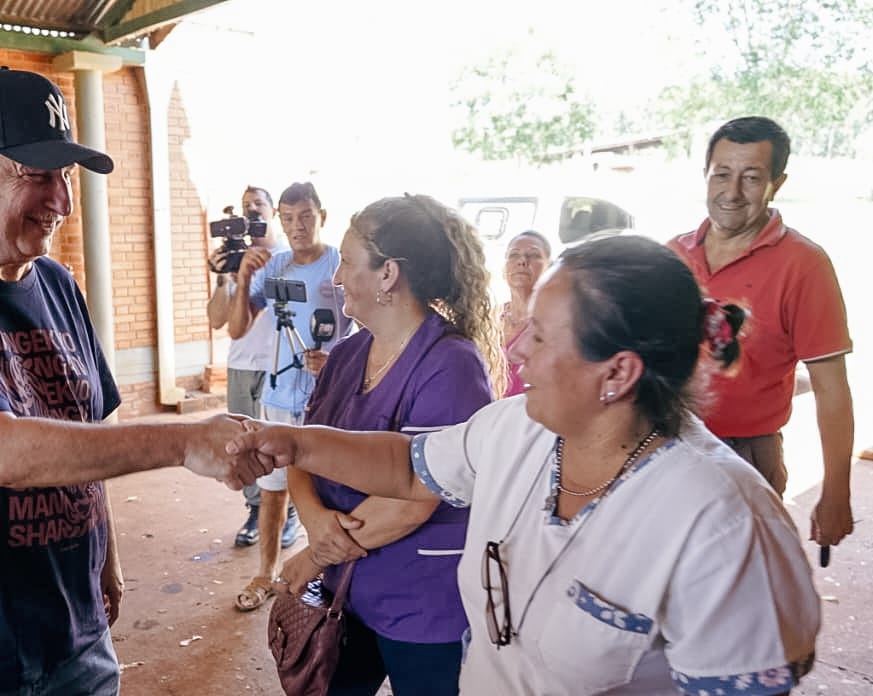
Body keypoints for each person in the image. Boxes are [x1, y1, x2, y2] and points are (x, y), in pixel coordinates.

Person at [228, 235, 821, 694]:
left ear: (617, 373)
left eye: (539, 336)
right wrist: (294, 443)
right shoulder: (518, 428)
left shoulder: (724, 523)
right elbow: (411, 468)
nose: (514, 350)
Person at [0, 67, 268, 696]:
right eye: (37, 176)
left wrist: (104, 551)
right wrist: (183, 440)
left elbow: (86, 426)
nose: (62, 203)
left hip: (71, 638)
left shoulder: (58, 285)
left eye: (65, 177)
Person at [278, 194, 499, 695]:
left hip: (421, 603)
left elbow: (413, 501)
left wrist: (314, 555)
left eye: (348, 263)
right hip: (346, 588)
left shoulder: (452, 365)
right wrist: (314, 523)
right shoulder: (347, 354)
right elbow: (302, 449)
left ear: (387, 274)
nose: (336, 278)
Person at [668, 116, 854, 549]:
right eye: (722, 174)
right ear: (706, 174)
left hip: (746, 454)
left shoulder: (803, 265)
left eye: (751, 178)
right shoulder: (673, 254)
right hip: (669, 440)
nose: (731, 193)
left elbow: (832, 390)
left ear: (777, 182)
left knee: (737, 585)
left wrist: (836, 492)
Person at [227, 181, 353, 611]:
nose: (297, 226)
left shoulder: (341, 263)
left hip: (331, 400)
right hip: (279, 396)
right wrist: (243, 278)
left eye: (305, 217)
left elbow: (371, 326)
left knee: (331, 489)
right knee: (273, 488)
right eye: (288, 218)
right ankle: (265, 571)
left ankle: (327, 576)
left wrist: (336, 359)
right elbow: (237, 328)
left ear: (322, 216)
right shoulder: (274, 266)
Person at [206, 185, 298, 548]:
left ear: (273, 211)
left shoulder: (288, 257)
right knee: (243, 443)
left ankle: (286, 514)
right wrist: (224, 276)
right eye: (247, 207)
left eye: (259, 204)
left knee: (280, 443)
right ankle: (255, 511)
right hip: (242, 365)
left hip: (282, 365)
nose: (253, 211)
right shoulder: (234, 260)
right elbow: (217, 320)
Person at [499, 230, 551, 397]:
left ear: (549, 267)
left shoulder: (551, 323)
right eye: (514, 255)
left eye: (534, 255)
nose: (522, 261)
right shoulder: (488, 318)